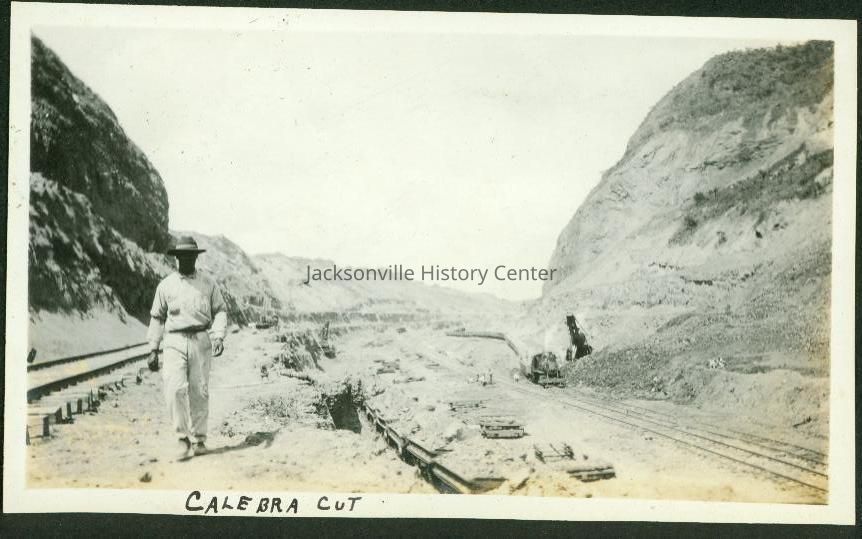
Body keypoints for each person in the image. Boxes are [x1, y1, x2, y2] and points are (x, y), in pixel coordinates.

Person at [147, 236, 227, 458]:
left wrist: (218, 336)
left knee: (199, 391)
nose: (186, 260)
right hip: (174, 341)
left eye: (190, 256)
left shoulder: (208, 284)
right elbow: (157, 317)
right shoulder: (166, 285)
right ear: (176, 258)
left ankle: (199, 440)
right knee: (174, 389)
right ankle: (182, 439)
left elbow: (220, 310)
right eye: (182, 256)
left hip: (201, 340)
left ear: (196, 257)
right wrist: (153, 348)